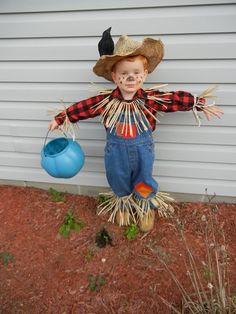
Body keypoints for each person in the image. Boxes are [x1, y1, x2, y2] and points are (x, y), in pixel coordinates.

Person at [48, 30, 223, 232]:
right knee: (117, 178)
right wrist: (60, 118)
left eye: (136, 73)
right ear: (114, 76)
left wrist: (199, 103)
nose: (131, 77)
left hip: (143, 152)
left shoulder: (151, 99)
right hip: (115, 153)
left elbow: (175, 99)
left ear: (145, 74)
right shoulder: (105, 102)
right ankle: (122, 205)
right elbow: (83, 108)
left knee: (143, 180)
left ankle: (145, 207)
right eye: (124, 74)